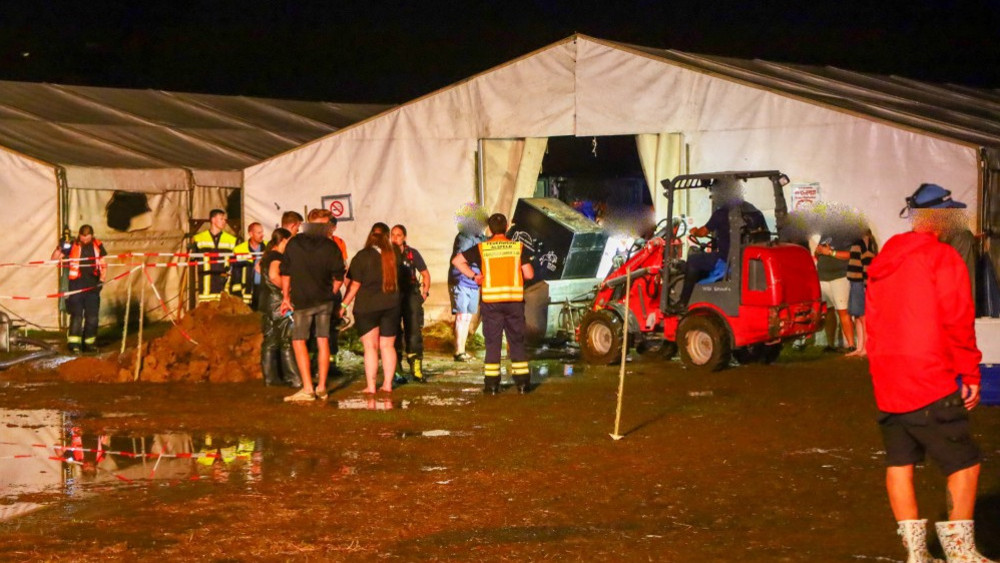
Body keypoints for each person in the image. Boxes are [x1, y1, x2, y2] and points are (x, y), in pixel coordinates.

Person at [866, 195, 992, 562]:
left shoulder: (885, 259)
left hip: (888, 379)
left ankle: (917, 556)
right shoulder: (942, 257)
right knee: (964, 463)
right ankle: (961, 554)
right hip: (927, 376)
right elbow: (957, 318)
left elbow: (873, 322)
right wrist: (969, 370)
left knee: (900, 462)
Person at [452, 213, 534, 395]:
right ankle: (522, 384)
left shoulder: (482, 248)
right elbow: (529, 274)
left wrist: (474, 276)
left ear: (489, 229)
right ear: (506, 228)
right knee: (517, 342)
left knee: (492, 343)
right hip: (514, 302)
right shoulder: (517, 247)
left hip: (491, 303)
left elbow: (457, 261)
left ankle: (492, 385)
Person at [279, 209, 346, 402]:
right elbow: (339, 277)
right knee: (322, 340)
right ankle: (322, 387)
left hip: (302, 301)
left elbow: (286, 272)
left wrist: (285, 297)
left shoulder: (294, 243)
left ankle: (308, 388)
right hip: (324, 301)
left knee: (299, 341)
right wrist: (330, 292)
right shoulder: (331, 246)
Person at [677, 180, 766, 309]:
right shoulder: (752, 210)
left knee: (693, 260)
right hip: (745, 258)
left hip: (726, 259)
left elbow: (703, 232)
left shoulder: (722, 213)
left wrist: (694, 231)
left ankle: (683, 302)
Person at [342, 224, 401, 394]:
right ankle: (388, 385)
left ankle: (371, 386)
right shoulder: (394, 254)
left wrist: (344, 305)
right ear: (387, 236)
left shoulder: (362, 256)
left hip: (367, 307)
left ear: (370, 235)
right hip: (391, 305)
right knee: (388, 346)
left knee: (370, 348)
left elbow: (353, 285)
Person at [51, 225, 107, 353]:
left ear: (92, 235)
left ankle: (89, 343)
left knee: (92, 316)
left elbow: (103, 264)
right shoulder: (71, 244)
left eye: (88, 238)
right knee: (76, 316)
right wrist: (60, 247)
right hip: (76, 286)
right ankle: (74, 344)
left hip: (93, 287)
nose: (85, 240)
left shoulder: (98, 245)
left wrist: (102, 280)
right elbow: (54, 259)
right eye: (83, 238)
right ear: (79, 236)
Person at [258, 228, 302, 388]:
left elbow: (260, 271)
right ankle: (295, 378)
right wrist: (287, 290)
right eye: (289, 241)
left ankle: (271, 378)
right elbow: (274, 275)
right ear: (283, 240)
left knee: (270, 341)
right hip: (278, 303)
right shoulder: (277, 257)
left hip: (266, 303)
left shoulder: (267, 256)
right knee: (286, 341)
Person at [391, 224, 430, 382]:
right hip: (392, 297)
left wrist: (424, 293)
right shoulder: (386, 254)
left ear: (404, 237)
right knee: (393, 333)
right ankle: (396, 369)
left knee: (414, 332)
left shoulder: (412, 253)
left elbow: (425, 274)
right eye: (392, 235)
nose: (395, 238)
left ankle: (416, 368)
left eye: (398, 235)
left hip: (411, 296)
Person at [449, 207, 487, 361]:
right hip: (463, 280)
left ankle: (461, 350)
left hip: (472, 282)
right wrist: (473, 275)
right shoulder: (465, 237)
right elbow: (461, 259)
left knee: (466, 317)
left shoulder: (479, 237)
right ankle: (459, 351)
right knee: (462, 316)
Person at [813, 232, 856, 352]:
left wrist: (831, 252)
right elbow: (817, 254)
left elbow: (851, 254)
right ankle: (831, 344)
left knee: (843, 312)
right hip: (823, 277)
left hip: (839, 277)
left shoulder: (846, 234)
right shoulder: (825, 233)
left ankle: (851, 345)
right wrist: (818, 251)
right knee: (828, 311)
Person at [190, 209, 237, 304]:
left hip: (223, 284)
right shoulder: (198, 239)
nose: (224, 221)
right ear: (213, 220)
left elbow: (235, 261)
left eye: (225, 219)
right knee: (207, 315)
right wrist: (190, 250)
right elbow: (192, 259)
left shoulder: (231, 239)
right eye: (221, 219)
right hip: (206, 285)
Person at [845, 229, 877, 358]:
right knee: (857, 317)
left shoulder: (863, 243)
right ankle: (859, 347)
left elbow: (867, 266)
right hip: (855, 282)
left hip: (860, 283)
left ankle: (865, 347)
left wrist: (865, 285)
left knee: (863, 317)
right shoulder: (858, 242)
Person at [327, 216, 349, 376]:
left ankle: (331, 362)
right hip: (319, 288)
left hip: (334, 288)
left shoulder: (339, 242)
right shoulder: (313, 242)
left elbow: (344, 267)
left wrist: (349, 292)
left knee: (333, 326)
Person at [231, 222, 265, 310]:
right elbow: (235, 273)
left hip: (263, 289)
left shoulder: (268, 247)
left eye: (262, 232)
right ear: (250, 234)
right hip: (247, 289)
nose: (262, 235)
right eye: (259, 233)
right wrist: (237, 292)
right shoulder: (239, 249)